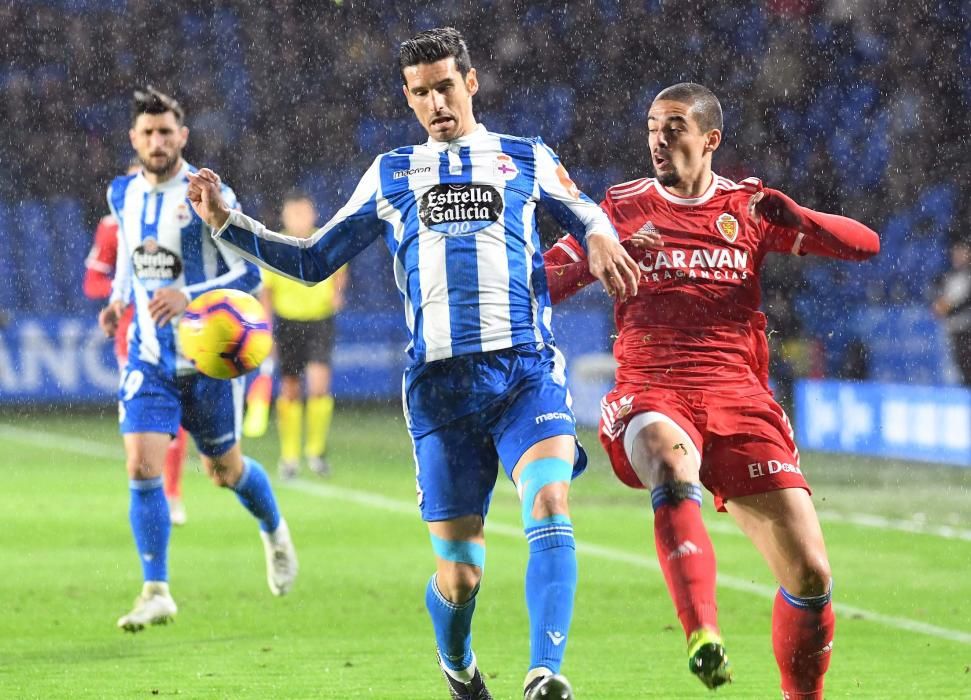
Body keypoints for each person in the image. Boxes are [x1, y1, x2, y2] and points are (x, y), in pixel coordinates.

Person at [186, 27, 638, 700]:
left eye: (445, 87)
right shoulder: (393, 173)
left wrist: (600, 236)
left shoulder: (525, 158)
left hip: (524, 374)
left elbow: (585, 212)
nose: (436, 104)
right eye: (421, 93)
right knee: (461, 577)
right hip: (440, 393)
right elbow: (314, 262)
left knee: (548, 499)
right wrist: (230, 223)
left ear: (471, 81)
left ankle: (545, 673)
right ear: (408, 97)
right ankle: (457, 669)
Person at [543, 83, 879, 698]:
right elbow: (541, 281)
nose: (658, 139)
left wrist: (797, 218)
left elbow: (865, 246)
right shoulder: (618, 207)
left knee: (810, 574)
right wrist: (598, 254)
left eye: (673, 126)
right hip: (652, 389)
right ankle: (702, 633)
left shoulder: (747, 207)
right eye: (651, 127)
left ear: (710, 139)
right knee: (671, 465)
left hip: (740, 397)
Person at [98, 87, 298, 633]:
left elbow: (251, 274)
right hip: (149, 358)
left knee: (223, 471)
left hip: (209, 363)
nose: (158, 141)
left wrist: (192, 297)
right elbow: (128, 259)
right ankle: (156, 589)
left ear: (183, 136)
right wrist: (119, 299)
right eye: (148, 133)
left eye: (167, 132)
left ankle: (274, 530)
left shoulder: (209, 193)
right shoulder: (122, 193)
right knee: (141, 466)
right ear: (134, 139)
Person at [85, 159, 190, 526]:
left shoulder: (180, 219)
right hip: (132, 335)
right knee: (147, 419)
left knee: (178, 421)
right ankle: (153, 489)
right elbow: (93, 281)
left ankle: (173, 493)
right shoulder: (113, 226)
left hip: (180, 329)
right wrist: (123, 295)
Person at [259, 191, 348, 479]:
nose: (299, 219)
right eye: (293, 213)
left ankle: (316, 451)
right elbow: (267, 293)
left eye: (304, 213)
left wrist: (337, 294)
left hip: (320, 321)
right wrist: (266, 329)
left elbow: (340, 271)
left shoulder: (324, 240)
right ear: (284, 217)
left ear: (313, 215)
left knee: (320, 387)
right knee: (290, 390)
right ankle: (290, 457)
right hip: (287, 324)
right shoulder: (276, 246)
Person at [932, 239, 971, 385]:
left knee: (967, 367)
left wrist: (948, 307)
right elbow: (938, 294)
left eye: (962, 252)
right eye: (956, 252)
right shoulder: (949, 274)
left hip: (967, 329)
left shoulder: (968, 275)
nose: (958, 256)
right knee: (959, 366)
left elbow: (965, 300)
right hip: (954, 328)